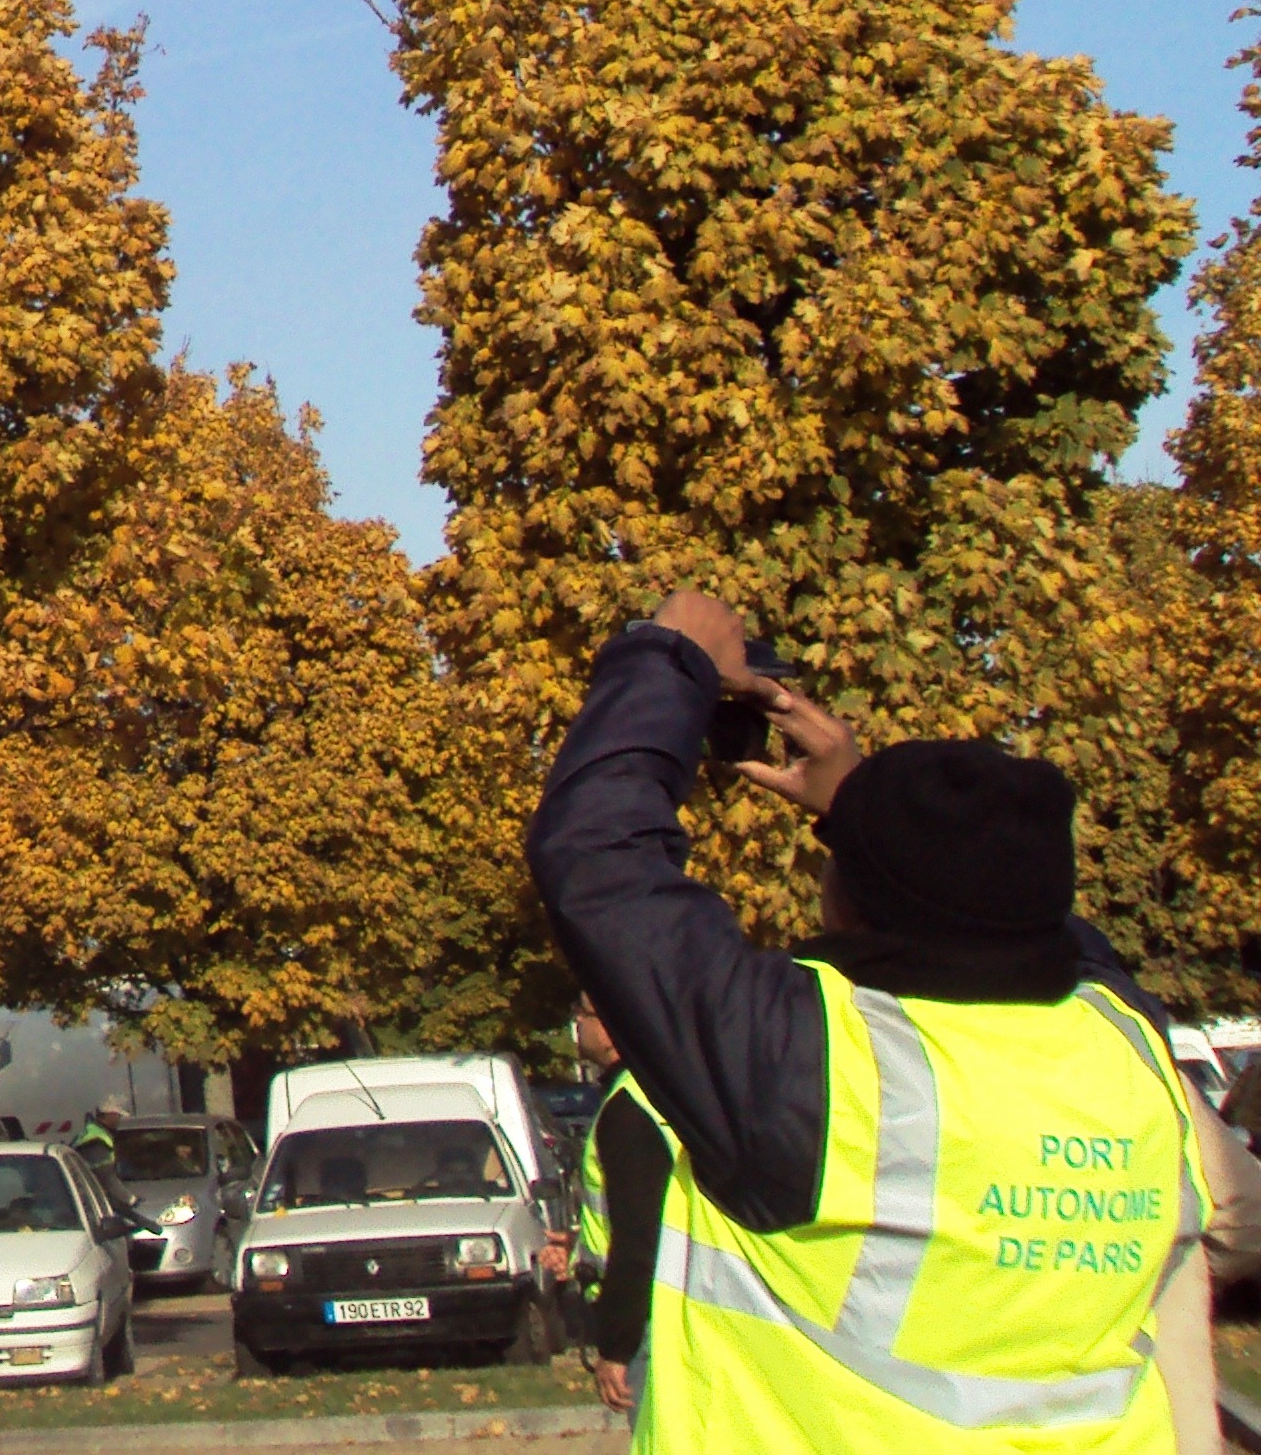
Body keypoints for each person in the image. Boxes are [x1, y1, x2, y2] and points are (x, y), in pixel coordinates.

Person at [528, 587, 1261, 1453]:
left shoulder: (813, 1064)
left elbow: (598, 858)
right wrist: (865, 818)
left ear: (845, 897)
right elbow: (1029, 922)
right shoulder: (1126, 1044)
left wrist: (667, 654)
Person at [555, 996, 675, 1415]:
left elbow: (637, 1238)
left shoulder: (628, 1109)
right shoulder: (659, 1090)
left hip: (648, 1323)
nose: (577, 1024)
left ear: (608, 1028)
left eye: (582, 1013)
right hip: (668, 1307)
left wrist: (617, 1348)